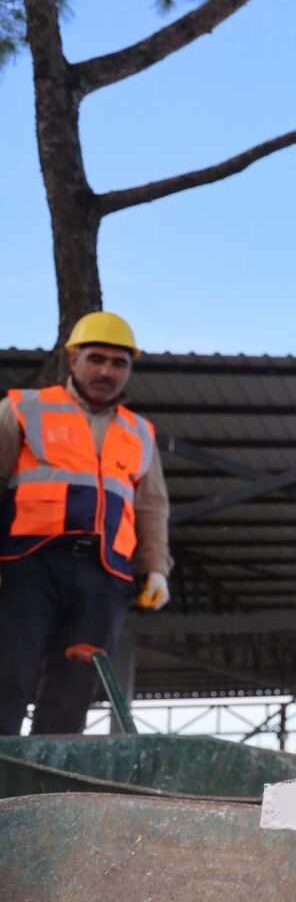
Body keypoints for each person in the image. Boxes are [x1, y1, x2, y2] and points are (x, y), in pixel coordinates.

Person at [0, 312, 171, 734]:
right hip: (28, 564)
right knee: (8, 674)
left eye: (119, 363)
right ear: (73, 359)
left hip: (104, 575)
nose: (107, 371)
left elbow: (151, 506)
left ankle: (46, 790)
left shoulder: (139, 431)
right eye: (97, 359)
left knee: (73, 690)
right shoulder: (23, 408)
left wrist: (156, 569)